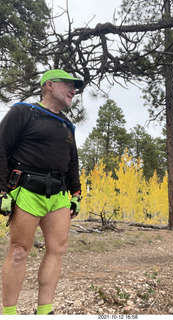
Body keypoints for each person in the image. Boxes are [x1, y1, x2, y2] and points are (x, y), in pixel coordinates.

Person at [0, 69, 83, 315]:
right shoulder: (24, 112)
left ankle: (45, 311)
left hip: (58, 195)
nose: (73, 91)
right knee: (18, 251)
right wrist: (2, 190)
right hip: (26, 190)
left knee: (57, 250)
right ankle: (10, 313)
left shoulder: (67, 125)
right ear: (49, 85)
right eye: (68, 85)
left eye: (75, 87)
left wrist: (76, 194)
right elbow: (1, 148)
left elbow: (72, 162)